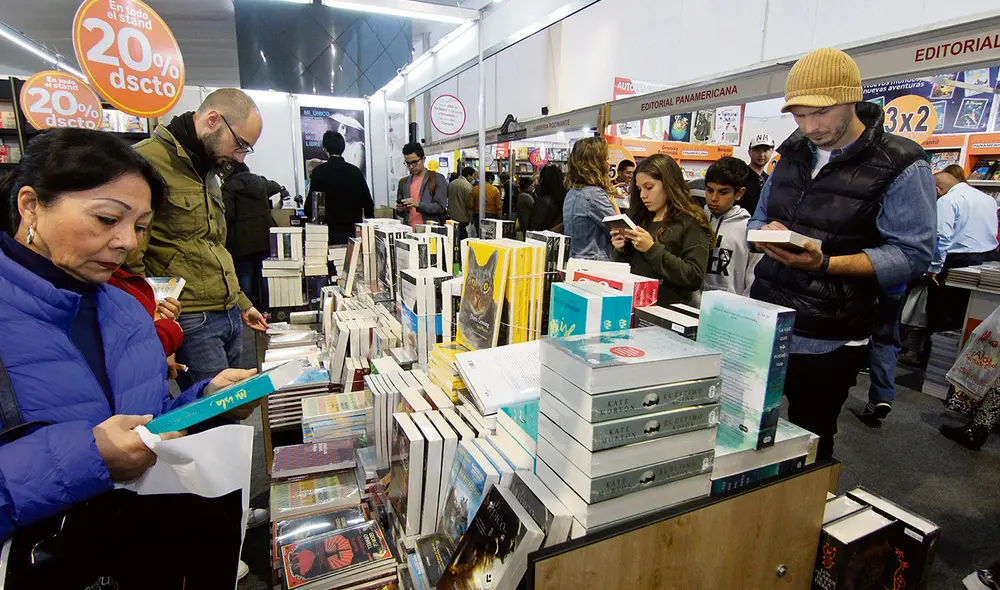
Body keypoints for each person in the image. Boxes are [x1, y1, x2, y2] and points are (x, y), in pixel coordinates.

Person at [0, 128, 254, 544]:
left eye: (140, 226)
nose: (126, 242)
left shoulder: (126, 310)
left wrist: (205, 400)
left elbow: (147, 421)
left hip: (140, 549)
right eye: (106, 219)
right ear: (31, 206)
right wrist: (88, 458)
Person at [748, 48, 936, 460]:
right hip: (765, 322)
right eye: (799, 114)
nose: (810, 126)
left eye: (821, 112)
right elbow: (757, 218)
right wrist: (763, 234)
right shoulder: (792, 153)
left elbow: (915, 254)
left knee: (811, 441)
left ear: (851, 98)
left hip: (829, 336)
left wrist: (827, 263)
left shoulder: (902, 162)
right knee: (747, 431)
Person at [124, 88, 269, 393]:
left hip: (227, 311)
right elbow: (131, 258)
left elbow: (212, 244)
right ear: (213, 120)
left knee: (232, 408)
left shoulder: (209, 169)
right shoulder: (146, 162)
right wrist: (154, 327)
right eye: (240, 144)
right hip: (190, 316)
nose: (240, 157)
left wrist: (242, 303)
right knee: (217, 413)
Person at [612, 153, 713, 305]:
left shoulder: (692, 222)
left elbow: (693, 277)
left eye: (649, 187)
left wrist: (651, 249)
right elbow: (630, 268)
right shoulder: (642, 218)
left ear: (669, 183)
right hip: (636, 305)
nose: (643, 195)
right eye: (639, 189)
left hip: (670, 312)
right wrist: (620, 249)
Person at [925, 170, 1000, 341]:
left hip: (957, 261)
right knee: (972, 314)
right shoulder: (988, 199)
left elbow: (942, 237)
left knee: (943, 314)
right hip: (988, 259)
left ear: (937, 190)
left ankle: (936, 359)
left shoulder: (947, 200)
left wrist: (934, 268)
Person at [222, 161, 284, 306]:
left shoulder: (228, 187)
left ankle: (248, 311)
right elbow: (277, 187)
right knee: (265, 275)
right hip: (264, 235)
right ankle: (268, 310)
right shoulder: (260, 181)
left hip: (241, 239)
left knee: (245, 276)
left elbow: (228, 214)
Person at [702, 156, 761, 295]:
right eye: (709, 190)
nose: (714, 198)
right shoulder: (697, 220)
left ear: (739, 193)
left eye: (723, 192)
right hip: (693, 306)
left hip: (730, 309)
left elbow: (753, 279)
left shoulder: (748, 230)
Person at [308, 131, 374, 244]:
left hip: (328, 233)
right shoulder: (355, 172)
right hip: (353, 234)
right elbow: (368, 204)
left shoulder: (319, 172)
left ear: (325, 148)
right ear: (343, 147)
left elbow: (311, 207)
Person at [564, 136, 619, 260]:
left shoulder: (572, 192)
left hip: (576, 259)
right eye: (606, 159)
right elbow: (619, 230)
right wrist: (613, 202)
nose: (608, 163)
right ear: (596, 163)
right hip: (595, 263)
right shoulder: (594, 195)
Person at [397, 142, 447, 226]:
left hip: (430, 232)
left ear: (423, 159)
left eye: (414, 162)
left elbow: (440, 207)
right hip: (409, 231)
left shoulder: (437, 178)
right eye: (408, 163)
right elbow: (401, 213)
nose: (411, 167)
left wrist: (418, 204)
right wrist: (400, 210)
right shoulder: (403, 182)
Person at [742, 133, 775, 216]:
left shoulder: (770, 180)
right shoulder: (740, 176)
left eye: (765, 150)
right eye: (757, 150)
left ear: (772, 151)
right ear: (749, 152)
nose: (761, 155)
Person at [528, 164, 566, 231]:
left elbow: (536, 228)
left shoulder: (542, 201)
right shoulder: (566, 198)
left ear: (543, 180)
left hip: (544, 238)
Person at [448, 166, 475, 239]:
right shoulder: (468, 186)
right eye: (472, 176)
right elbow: (469, 204)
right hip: (463, 217)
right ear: (468, 175)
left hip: (451, 216)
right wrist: (471, 218)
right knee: (463, 238)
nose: (473, 178)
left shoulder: (452, 183)